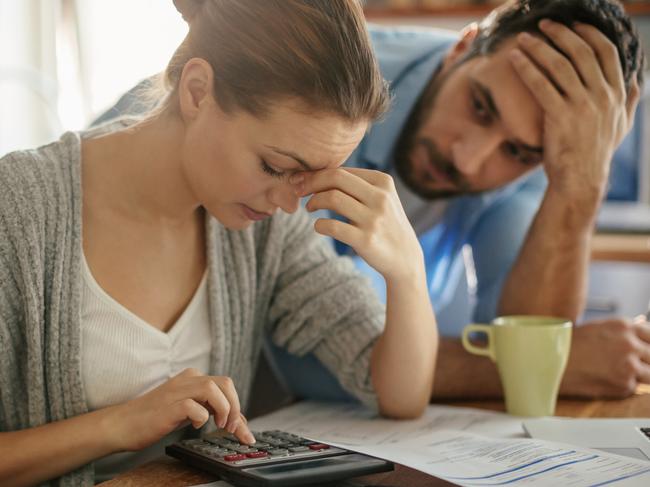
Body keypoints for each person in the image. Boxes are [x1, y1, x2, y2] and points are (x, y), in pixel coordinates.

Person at [102, 0, 648, 404]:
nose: (470, 160)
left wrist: (578, 187)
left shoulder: (542, 156)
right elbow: (319, 364)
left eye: (518, 152)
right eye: (480, 106)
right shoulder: (325, 96)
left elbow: (524, 348)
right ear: (461, 46)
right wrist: (529, 367)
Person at [0, 1, 440, 485]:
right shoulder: (18, 211)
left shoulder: (263, 225)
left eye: (306, 179)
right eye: (274, 167)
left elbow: (398, 396)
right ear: (196, 91)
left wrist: (407, 272)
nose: (288, 203)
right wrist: (116, 425)